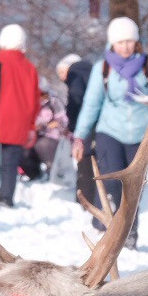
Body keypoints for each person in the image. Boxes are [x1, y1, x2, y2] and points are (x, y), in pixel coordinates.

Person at [73, 17, 148, 247]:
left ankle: (130, 233)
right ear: (112, 44)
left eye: (129, 41)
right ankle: (105, 226)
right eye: (120, 42)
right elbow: (91, 104)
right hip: (110, 131)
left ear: (136, 42)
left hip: (141, 134)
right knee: (111, 180)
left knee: (134, 185)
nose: (125, 46)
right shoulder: (103, 68)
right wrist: (79, 135)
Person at [0, 24, 39, 208]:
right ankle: (5, 198)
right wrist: (31, 125)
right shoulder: (30, 69)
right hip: (19, 123)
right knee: (10, 165)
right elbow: (35, 100)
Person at [62, 51, 96, 201]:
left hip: (84, 120)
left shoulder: (74, 73)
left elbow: (75, 97)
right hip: (103, 122)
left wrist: (72, 124)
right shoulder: (93, 70)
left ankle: (84, 197)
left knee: (84, 158)